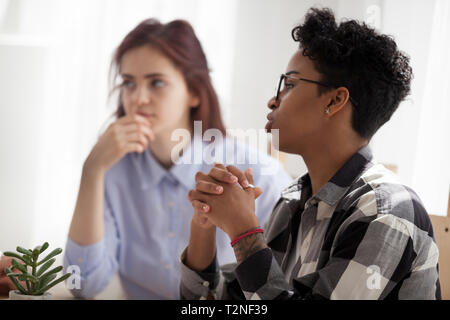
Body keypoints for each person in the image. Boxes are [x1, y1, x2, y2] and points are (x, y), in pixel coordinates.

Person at [182, 7, 441, 300]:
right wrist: (203, 224)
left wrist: (244, 232)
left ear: (334, 100)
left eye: (289, 84)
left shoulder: (387, 212)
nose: (272, 101)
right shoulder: (292, 203)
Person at [63, 19, 291, 299]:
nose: (138, 99)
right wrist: (92, 171)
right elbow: (82, 285)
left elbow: (282, 287)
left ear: (194, 91)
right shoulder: (113, 171)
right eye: (128, 83)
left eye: (156, 82)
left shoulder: (258, 173)